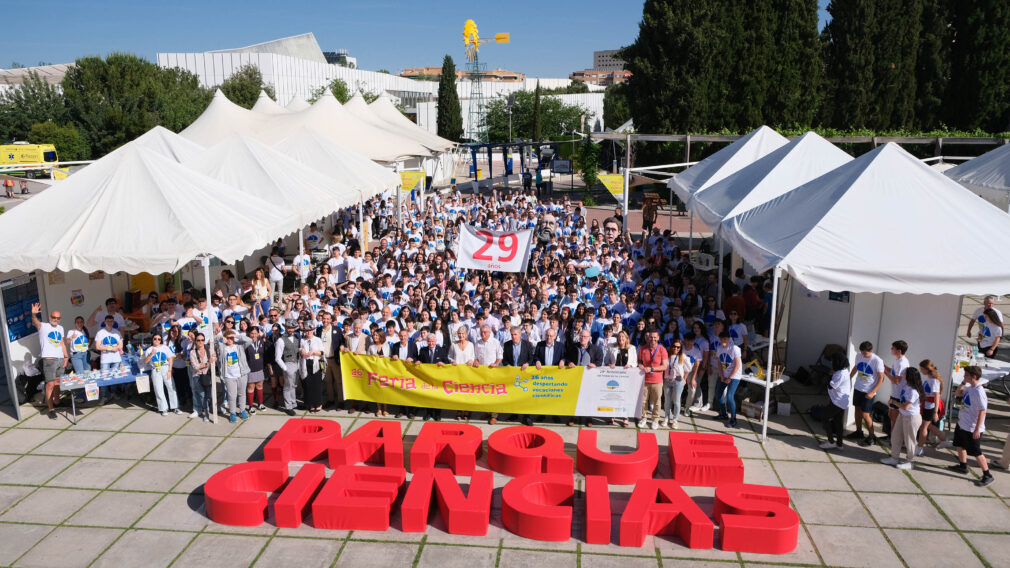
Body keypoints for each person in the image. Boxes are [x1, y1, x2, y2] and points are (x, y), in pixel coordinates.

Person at [947, 366, 994, 486]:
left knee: (976, 452)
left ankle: (987, 474)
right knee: (959, 445)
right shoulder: (970, 388)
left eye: (966, 375)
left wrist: (977, 429)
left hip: (972, 428)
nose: (964, 377)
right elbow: (957, 393)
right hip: (962, 424)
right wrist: (963, 382)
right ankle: (963, 466)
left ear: (973, 376)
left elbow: (982, 411)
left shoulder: (979, 392)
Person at [881, 367, 923, 470]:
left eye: (905, 373)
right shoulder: (906, 386)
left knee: (910, 441)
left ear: (909, 376)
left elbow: (906, 406)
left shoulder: (913, 391)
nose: (902, 374)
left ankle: (909, 461)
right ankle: (894, 457)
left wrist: (893, 402)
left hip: (911, 418)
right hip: (902, 415)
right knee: (895, 437)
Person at [31, 303, 67, 419]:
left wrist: (66, 357)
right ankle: (51, 409)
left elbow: (61, 343)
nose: (55, 319)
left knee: (57, 383)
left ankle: (57, 401)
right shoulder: (44, 326)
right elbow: (35, 321)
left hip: (60, 359)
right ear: (50, 317)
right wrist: (33, 314)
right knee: (50, 384)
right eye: (53, 317)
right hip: (49, 361)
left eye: (58, 318)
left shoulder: (60, 328)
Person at [848, 341, 885, 446]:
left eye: (865, 353)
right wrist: (849, 377)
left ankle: (871, 436)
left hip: (869, 391)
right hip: (858, 388)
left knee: (866, 414)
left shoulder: (877, 360)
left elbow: (881, 378)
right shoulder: (859, 356)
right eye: (862, 353)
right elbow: (856, 367)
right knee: (857, 410)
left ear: (871, 351)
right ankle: (859, 431)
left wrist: (872, 392)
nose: (863, 355)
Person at [604, 330, 638, 427]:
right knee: (613, 396)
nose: (621, 338)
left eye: (623, 337)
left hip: (627, 378)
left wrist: (630, 365)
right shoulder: (611, 347)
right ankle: (612, 416)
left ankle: (625, 417)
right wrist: (610, 364)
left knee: (625, 397)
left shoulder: (632, 348)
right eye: (619, 337)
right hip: (614, 377)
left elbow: (635, 362)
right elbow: (606, 360)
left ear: (626, 338)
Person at [637, 328, 669, 430]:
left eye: (655, 337)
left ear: (658, 338)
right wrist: (640, 365)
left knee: (656, 401)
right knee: (643, 401)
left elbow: (665, 366)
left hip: (657, 380)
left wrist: (652, 368)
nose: (653, 339)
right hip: (644, 379)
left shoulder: (662, 349)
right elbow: (639, 361)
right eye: (651, 337)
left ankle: (655, 419)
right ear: (648, 338)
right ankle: (643, 418)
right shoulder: (643, 349)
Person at [143, 333, 181, 416]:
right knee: (158, 389)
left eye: (159, 339)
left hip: (165, 368)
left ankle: (175, 407)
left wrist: (170, 370)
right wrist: (151, 354)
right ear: (152, 339)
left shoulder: (165, 348)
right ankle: (163, 408)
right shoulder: (149, 349)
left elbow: (170, 359)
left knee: (171, 387)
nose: (156, 340)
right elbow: (146, 361)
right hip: (155, 369)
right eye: (155, 338)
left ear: (161, 340)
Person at [820, 351, 850, 450]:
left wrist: (829, 375)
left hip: (837, 401)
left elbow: (831, 385)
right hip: (842, 401)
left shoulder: (840, 374)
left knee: (825, 418)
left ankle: (831, 441)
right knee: (838, 422)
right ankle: (840, 444)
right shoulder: (844, 371)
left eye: (832, 361)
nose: (831, 363)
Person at [473, 324, 503, 424]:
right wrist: (476, 361)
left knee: (493, 394)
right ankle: (487, 412)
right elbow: (476, 356)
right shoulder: (478, 343)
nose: (483, 334)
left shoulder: (495, 342)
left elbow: (500, 356)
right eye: (481, 332)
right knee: (484, 394)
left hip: (492, 372)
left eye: (485, 332)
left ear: (490, 332)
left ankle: (494, 415)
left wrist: (496, 364)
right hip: (482, 373)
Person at [916, 359, 947, 453]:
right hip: (926, 405)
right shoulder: (929, 378)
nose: (920, 371)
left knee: (923, 427)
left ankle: (919, 448)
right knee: (928, 425)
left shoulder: (933, 381)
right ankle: (944, 440)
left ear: (926, 369)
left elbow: (936, 396)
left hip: (930, 407)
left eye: (921, 369)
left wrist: (935, 412)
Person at [417, 333, 449, 421]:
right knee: (428, 396)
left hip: (438, 378)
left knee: (437, 396)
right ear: (427, 342)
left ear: (436, 341)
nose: (431, 343)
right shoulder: (423, 350)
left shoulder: (442, 350)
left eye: (433, 341)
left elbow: (447, 362)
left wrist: (443, 364)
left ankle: (437, 414)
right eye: (429, 341)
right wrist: (418, 361)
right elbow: (419, 359)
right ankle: (429, 412)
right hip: (427, 378)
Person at [714, 330, 742, 428]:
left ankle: (733, 419)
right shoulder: (719, 348)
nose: (723, 341)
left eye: (725, 339)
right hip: (724, 375)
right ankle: (723, 414)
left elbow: (737, 365)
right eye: (721, 339)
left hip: (734, 376)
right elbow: (719, 363)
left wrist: (730, 377)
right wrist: (721, 375)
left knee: (730, 397)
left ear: (729, 339)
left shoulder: (735, 348)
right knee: (718, 394)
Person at [317, 312, 345, 410]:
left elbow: (343, 341)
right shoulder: (318, 330)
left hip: (334, 359)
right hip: (323, 361)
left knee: (338, 381)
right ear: (321, 319)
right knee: (327, 381)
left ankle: (341, 401)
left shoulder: (337, 329)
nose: (326, 320)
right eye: (324, 318)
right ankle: (331, 400)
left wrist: (342, 345)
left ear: (331, 320)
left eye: (328, 319)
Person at [662, 341, 693, 430]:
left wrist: (685, 379)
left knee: (676, 401)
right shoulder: (667, 355)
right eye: (674, 346)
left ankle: (675, 419)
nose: (676, 348)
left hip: (677, 381)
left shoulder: (682, 357)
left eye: (678, 347)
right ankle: (666, 417)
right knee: (667, 400)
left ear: (680, 349)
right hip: (667, 380)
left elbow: (689, 368)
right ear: (671, 346)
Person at [390, 328, 419, 418]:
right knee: (400, 391)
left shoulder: (413, 345)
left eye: (405, 336)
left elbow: (417, 357)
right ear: (398, 336)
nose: (403, 338)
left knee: (410, 392)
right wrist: (393, 356)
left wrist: (413, 359)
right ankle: (402, 410)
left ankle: (411, 411)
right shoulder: (395, 346)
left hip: (410, 372)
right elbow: (391, 357)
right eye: (401, 336)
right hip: (399, 372)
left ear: (407, 336)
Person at [275, 320, 301, 416]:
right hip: (288, 363)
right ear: (285, 327)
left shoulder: (296, 337)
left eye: (292, 327)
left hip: (296, 363)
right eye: (289, 327)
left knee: (293, 385)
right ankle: (288, 406)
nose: (291, 329)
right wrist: (285, 368)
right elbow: (277, 358)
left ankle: (294, 403)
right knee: (287, 386)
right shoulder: (281, 340)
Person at [449, 326, 476, 420]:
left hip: (468, 372)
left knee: (467, 391)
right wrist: (452, 361)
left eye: (463, 333)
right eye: (459, 333)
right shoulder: (454, 345)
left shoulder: (471, 345)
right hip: (457, 373)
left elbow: (473, 356)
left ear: (466, 334)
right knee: (458, 392)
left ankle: (467, 410)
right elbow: (449, 356)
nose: (461, 335)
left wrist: (471, 361)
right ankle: (459, 410)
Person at [885, 340, 910, 440]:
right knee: (891, 415)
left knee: (895, 418)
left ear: (899, 351)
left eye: (893, 348)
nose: (891, 349)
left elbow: (896, 380)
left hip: (899, 395)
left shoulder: (902, 363)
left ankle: (895, 439)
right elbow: (894, 372)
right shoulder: (898, 361)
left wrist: (885, 373)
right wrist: (884, 366)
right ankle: (892, 436)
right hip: (894, 393)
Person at [189, 333, 215, 422]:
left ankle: (211, 410)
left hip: (208, 375)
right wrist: (208, 363)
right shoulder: (192, 352)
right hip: (197, 376)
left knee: (210, 395)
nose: (201, 342)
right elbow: (196, 367)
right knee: (202, 396)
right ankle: (206, 414)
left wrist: (214, 358)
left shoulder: (209, 350)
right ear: (195, 341)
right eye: (198, 340)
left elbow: (215, 360)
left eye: (202, 340)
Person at [300, 323, 325, 413]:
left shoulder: (317, 340)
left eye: (310, 330)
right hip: (306, 363)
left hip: (316, 364)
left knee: (317, 385)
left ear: (313, 331)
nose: (308, 332)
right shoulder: (303, 340)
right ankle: (310, 404)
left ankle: (318, 404)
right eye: (306, 331)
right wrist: (302, 351)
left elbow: (322, 352)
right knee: (308, 385)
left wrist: (313, 352)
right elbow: (301, 350)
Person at [244, 325, 267, 413]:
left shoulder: (261, 341)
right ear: (249, 334)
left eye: (255, 333)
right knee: (251, 387)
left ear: (258, 334)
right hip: (250, 368)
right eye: (252, 333)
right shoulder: (246, 343)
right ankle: (251, 406)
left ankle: (260, 403)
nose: (254, 335)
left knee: (260, 386)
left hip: (260, 367)